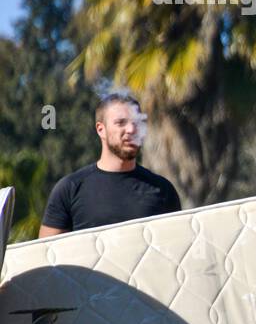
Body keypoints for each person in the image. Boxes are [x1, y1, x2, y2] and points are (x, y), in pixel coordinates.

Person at [39, 92, 182, 236]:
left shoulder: (163, 189)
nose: (131, 130)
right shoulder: (69, 189)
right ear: (101, 130)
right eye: (121, 123)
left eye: (137, 123)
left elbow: (176, 247)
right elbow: (45, 253)